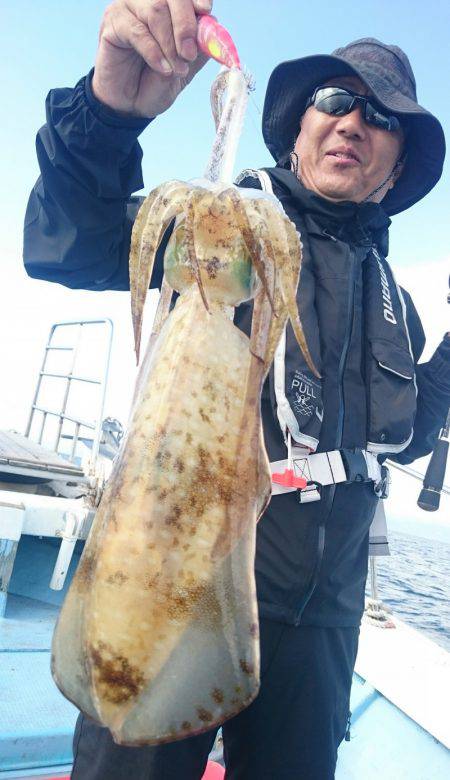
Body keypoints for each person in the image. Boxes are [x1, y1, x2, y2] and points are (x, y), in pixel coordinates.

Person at [23, 1, 450, 778]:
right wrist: (109, 111)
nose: (353, 121)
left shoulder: (397, 300)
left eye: (382, 115)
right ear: (298, 128)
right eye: (334, 100)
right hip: (175, 580)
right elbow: (69, 242)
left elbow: (408, 433)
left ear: (397, 164)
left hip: (323, 622)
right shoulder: (225, 229)